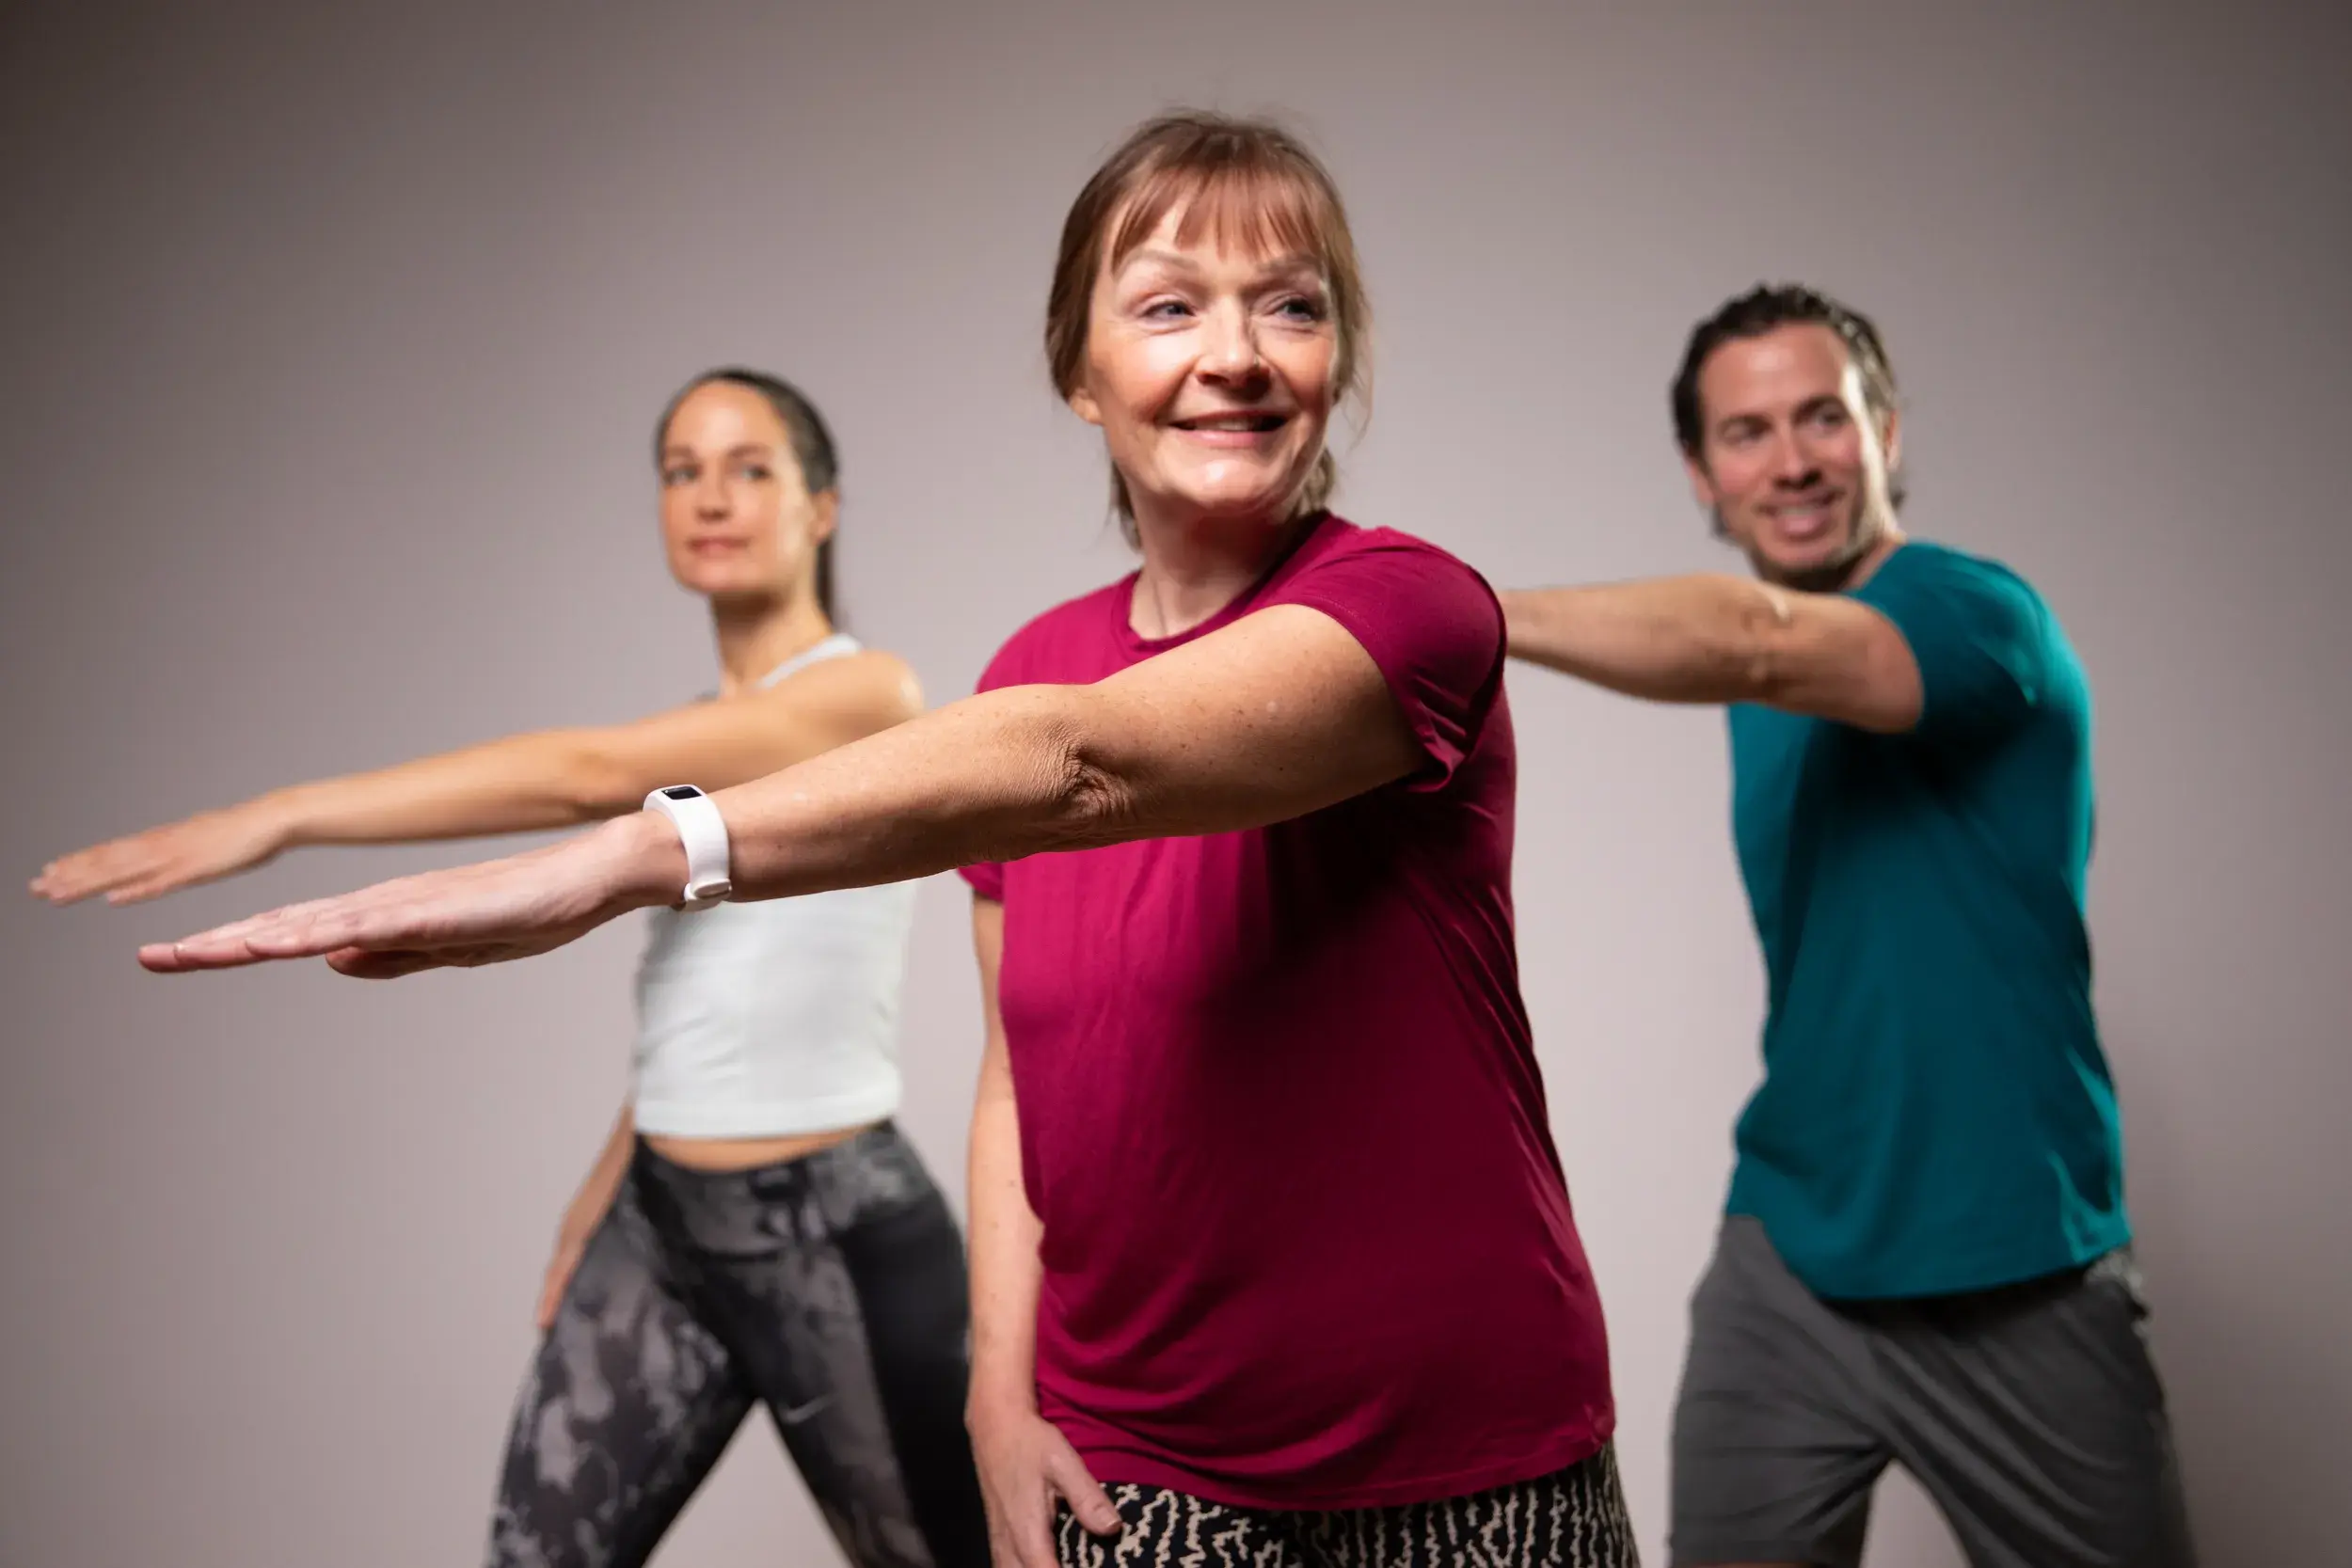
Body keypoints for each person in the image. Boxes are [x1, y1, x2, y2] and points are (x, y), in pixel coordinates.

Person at [128, 112, 1640, 1568]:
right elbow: (1013, 1069)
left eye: (1289, 307)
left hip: (1469, 1447)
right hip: (1144, 1459)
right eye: (1170, 305)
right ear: (1082, 372)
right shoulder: (1028, 656)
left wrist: (615, 858)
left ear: (1335, 358)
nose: (1233, 354)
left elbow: (1085, 760)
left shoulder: (1412, 608)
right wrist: (998, 1389)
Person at [33, 369, 990, 1568]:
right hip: (663, 1220)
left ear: (823, 505)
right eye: (681, 469)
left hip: (830, 1234)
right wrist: (618, 1171)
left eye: (751, 466)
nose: (711, 495)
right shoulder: (701, 720)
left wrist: (284, 812)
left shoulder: (865, 694)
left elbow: (592, 769)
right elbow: (721, 993)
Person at [1497, 284, 2196, 1568]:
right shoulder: (1750, 686)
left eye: (1823, 416)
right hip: (1793, 1259)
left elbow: (1761, 642)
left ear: (1883, 427)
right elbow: (1752, 655)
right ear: (1701, 474)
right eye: (1748, 432)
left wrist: (1474, 611)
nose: (1794, 459)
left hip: (2016, 1267)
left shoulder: (1975, 616)